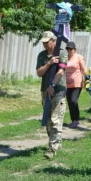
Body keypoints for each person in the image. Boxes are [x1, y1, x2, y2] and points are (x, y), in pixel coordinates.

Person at [36, 31, 68, 159]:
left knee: (56, 119)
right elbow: (39, 73)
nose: (45, 44)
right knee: (48, 120)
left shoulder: (62, 53)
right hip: (45, 90)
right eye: (43, 42)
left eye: (47, 41)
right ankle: (56, 142)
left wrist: (53, 86)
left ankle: (52, 148)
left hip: (58, 89)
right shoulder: (42, 55)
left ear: (53, 40)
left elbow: (61, 71)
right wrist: (49, 63)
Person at [65, 41, 86, 129]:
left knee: (74, 100)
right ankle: (73, 120)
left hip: (77, 82)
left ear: (75, 49)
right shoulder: (65, 58)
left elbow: (84, 69)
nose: (69, 51)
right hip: (67, 83)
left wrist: (87, 80)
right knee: (70, 102)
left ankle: (76, 119)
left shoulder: (79, 57)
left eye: (71, 49)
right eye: (68, 49)